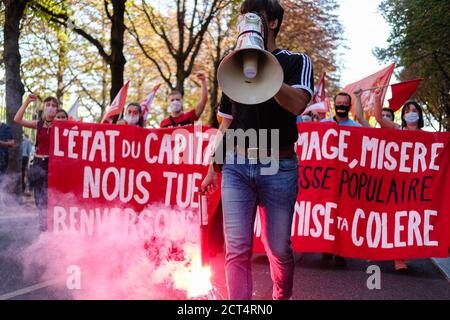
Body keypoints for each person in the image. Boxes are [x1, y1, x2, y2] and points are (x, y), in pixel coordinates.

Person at [202, 0, 313, 300]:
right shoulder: (233, 64)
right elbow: (225, 126)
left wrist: (265, 70)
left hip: (279, 165)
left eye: (256, 17)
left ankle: (281, 296)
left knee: (277, 247)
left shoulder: (296, 62)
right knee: (236, 248)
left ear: (273, 22)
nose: (248, 23)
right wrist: (212, 169)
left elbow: (298, 104)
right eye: (244, 18)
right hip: (237, 165)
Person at [373, 99, 425, 272]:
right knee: (397, 217)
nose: (411, 112)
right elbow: (378, 118)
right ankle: (398, 258)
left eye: (414, 109)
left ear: (419, 113)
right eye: (407, 110)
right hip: (397, 183)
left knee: (411, 219)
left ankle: (404, 254)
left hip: (416, 184)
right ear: (403, 116)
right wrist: (377, 97)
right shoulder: (397, 129)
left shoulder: (428, 136)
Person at [14, 94, 59, 231]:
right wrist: (27, 101)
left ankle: (45, 226)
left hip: (50, 165)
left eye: (53, 105)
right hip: (37, 164)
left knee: (46, 198)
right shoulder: (38, 124)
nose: (50, 107)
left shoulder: (60, 125)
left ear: (57, 110)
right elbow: (17, 119)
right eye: (48, 105)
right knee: (38, 198)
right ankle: (44, 223)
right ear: (43, 107)